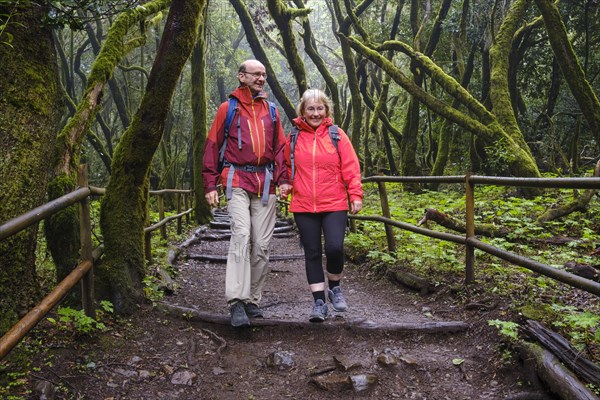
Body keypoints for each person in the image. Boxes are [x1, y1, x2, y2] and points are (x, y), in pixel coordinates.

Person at [202, 60, 292, 327]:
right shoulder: (227, 109)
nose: (261, 78)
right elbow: (212, 145)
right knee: (241, 235)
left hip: (266, 182)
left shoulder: (272, 111)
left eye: (264, 74)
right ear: (242, 76)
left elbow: (281, 149)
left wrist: (284, 179)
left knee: (262, 244)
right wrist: (209, 184)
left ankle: (253, 299)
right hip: (236, 179)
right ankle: (236, 301)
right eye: (256, 74)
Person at [281, 89, 363, 322]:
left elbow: (351, 167)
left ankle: (335, 287)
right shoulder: (294, 137)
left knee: (335, 247)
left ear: (326, 110)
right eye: (310, 109)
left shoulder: (337, 135)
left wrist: (355, 194)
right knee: (313, 252)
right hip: (303, 204)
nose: (315, 113)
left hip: (334, 202)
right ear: (303, 112)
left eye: (319, 108)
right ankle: (319, 303)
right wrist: (285, 183)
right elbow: (286, 167)